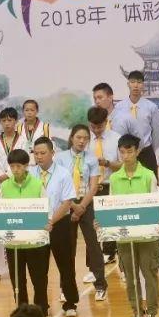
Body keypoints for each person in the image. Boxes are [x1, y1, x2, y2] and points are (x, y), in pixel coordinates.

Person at [109, 134, 159, 317]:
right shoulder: (114, 178)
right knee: (130, 275)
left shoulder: (148, 175)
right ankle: (136, 313)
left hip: (147, 235)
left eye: (129, 151)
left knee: (149, 273)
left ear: (137, 151)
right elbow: (111, 206)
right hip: (125, 235)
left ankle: (151, 313)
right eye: (122, 152)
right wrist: (103, 221)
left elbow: (155, 202)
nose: (126, 156)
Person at [31, 138, 79, 317]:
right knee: (38, 268)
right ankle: (41, 305)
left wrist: (52, 221)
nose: (39, 156)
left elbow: (67, 202)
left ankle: (70, 302)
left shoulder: (63, 173)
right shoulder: (30, 174)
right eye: (36, 153)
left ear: (52, 153)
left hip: (60, 224)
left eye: (43, 153)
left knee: (66, 265)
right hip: (38, 226)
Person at [55, 124, 104, 293]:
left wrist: (82, 206)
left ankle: (100, 285)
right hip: (66, 204)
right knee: (67, 249)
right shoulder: (60, 158)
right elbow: (58, 186)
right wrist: (72, 206)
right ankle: (66, 288)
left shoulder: (91, 158)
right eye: (79, 137)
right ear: (71, 138)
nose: (82, 141)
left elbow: (94, 186)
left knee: (94, 245)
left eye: (85, 138)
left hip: (86, 203)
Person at [0, 149, 50, 316]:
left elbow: (46, 209)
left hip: (35, 242)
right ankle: (22, 311)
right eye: (12, 166)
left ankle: (41, 310)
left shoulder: (37, 184)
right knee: (17, 281)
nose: (15, 170)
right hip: (13, 243)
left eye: (19, 166)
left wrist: (47, 222)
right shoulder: (4, 186)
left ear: (26, 165)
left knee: (39, 279)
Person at [88, 106, 122, 269]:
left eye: (99, 127)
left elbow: (122, 165)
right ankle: (94, 256)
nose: (96, 130)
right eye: (93, 127)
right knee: (92, 223)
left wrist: (107, 163)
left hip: (109, 184)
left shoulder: (116, 138)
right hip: (91, 186)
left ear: (106, 122)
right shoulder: (85, 139)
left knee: (109, 221)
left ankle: (110, 252)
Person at [112, 71, 159, 176]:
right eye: (132, 82)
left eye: (139, 82)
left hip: (145, 152)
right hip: (126, 153)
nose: (136, 85)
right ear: (128, 84)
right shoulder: (119, 107)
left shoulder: (151, 107)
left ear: (143, 85)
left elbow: (157, 133)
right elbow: (116, 131)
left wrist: (148, 149)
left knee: (151, 182)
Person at [0, 106, 21, 181]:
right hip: (1, 180)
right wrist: (0, 176)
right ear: (0, 122)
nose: (6, 123)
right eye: (4, 121)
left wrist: (8, 175)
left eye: (10, 120)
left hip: (18, 179)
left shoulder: (23, 140)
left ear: (16, 121)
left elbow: (23, 161)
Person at [17, 100, 50, 165]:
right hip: (23, 162)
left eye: (32, 110)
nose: (29, 113)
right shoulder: (19, 128)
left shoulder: (45, 127)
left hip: (39, 162)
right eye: (27, 110)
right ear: (23, 111)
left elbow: (50, 146)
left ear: (37, 111)